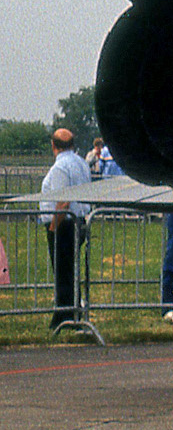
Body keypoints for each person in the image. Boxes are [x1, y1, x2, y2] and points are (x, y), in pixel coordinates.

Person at [38, 129, 92, 330]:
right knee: (71, 270)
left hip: (63, 224)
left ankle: (63, 316)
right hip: (79, 221)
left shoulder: (60, 167)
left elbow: (62, 202)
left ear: (53, 146)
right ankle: (72, 312)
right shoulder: (81, 163)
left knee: (62, 271)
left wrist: (53, 228)